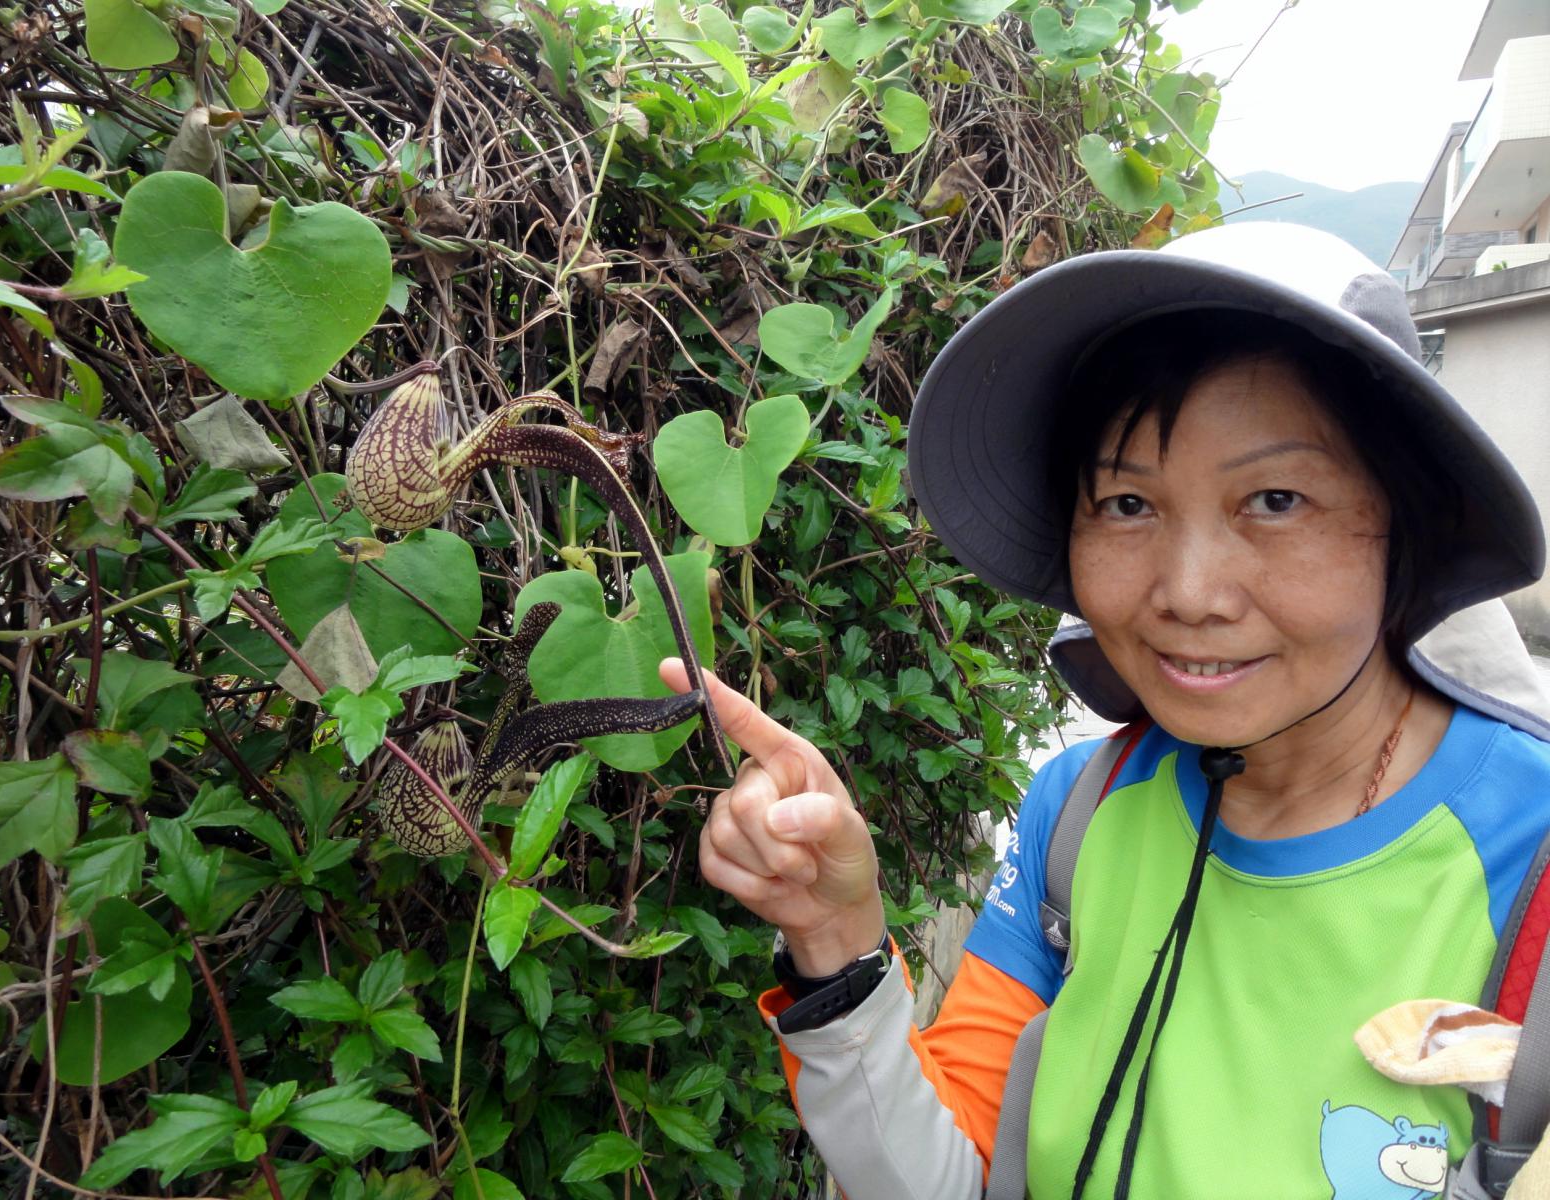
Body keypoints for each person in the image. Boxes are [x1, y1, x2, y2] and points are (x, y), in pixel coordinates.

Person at [658, 222, 1550, 1199]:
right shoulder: (1080, 813)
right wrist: (836, 941)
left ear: (1406, 522)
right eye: (1127, 504)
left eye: (1276, 499)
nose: (1189, 593)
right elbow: (952, 1177)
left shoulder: (1530, 860)